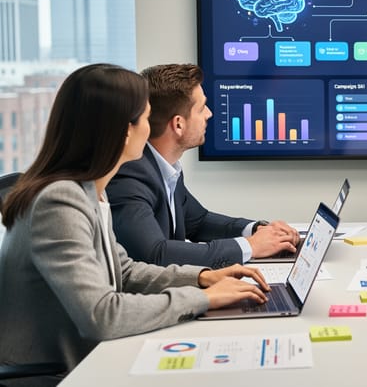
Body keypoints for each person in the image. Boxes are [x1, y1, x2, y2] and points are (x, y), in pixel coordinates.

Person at [0, 64, 271, 378]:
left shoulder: (88, 191)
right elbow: (102, 314)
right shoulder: (59, 201)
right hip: (54, 375)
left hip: (86, 359)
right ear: (123, 130)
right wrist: (202, 298)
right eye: (145, 118)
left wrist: (203, 277)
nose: (151, 127)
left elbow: (124, 272)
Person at [107, 64, 299, 268]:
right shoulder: (129, 176)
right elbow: (156, 254)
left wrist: (256, 230)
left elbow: (198, 222)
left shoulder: (165, 167)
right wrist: (250, 246)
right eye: (201, 108)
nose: (209, 114)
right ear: (178, 124)